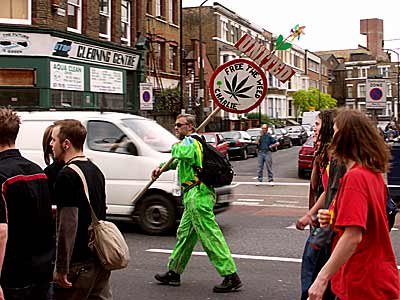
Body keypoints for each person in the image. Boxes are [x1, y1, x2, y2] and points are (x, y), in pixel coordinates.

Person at [309, 109, 400, 300]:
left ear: (345, 138)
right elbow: (368, 220)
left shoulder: (355, 178)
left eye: (334, 132)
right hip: (378, 274)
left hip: (363, 279)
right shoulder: (371, 173)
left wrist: (321, 278)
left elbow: (353, 236)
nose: (331, 138)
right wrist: (332, 218)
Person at [153, 114, 241, 293]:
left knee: (209, 235)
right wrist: (160, 168)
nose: (175, 128)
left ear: (191, 127)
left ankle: (230, 275)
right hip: (192, 195)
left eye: (179, 125)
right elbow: (177, 161)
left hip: (198, 196)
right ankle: (174, 272)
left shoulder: (191, 142)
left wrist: (175, 144)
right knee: (185, 235)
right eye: (175, 125)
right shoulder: (191, 143)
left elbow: (179, 152)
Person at [51, 119, 112, 300]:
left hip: (78, 263)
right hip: (99, 260)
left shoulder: (66, 176)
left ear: (66, 144)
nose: (51, 144)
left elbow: (68, 224)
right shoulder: (95, 170)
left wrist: (62, 268)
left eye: (54, 140)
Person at [0, 108, 54, 300]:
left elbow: (1, 231)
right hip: (42, 268)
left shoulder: (2, 176)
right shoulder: (38, 171)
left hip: (13, 272)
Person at [296, 109, 340, 300]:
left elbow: (331, 192)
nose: (314, 129)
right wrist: (309, 216)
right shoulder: (323, 155)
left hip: (327, 225)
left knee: (313, 273)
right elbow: (322, 189)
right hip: (320, 222)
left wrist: (315, 216)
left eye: (317, 124)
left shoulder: (335, 158)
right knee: (314, 271)